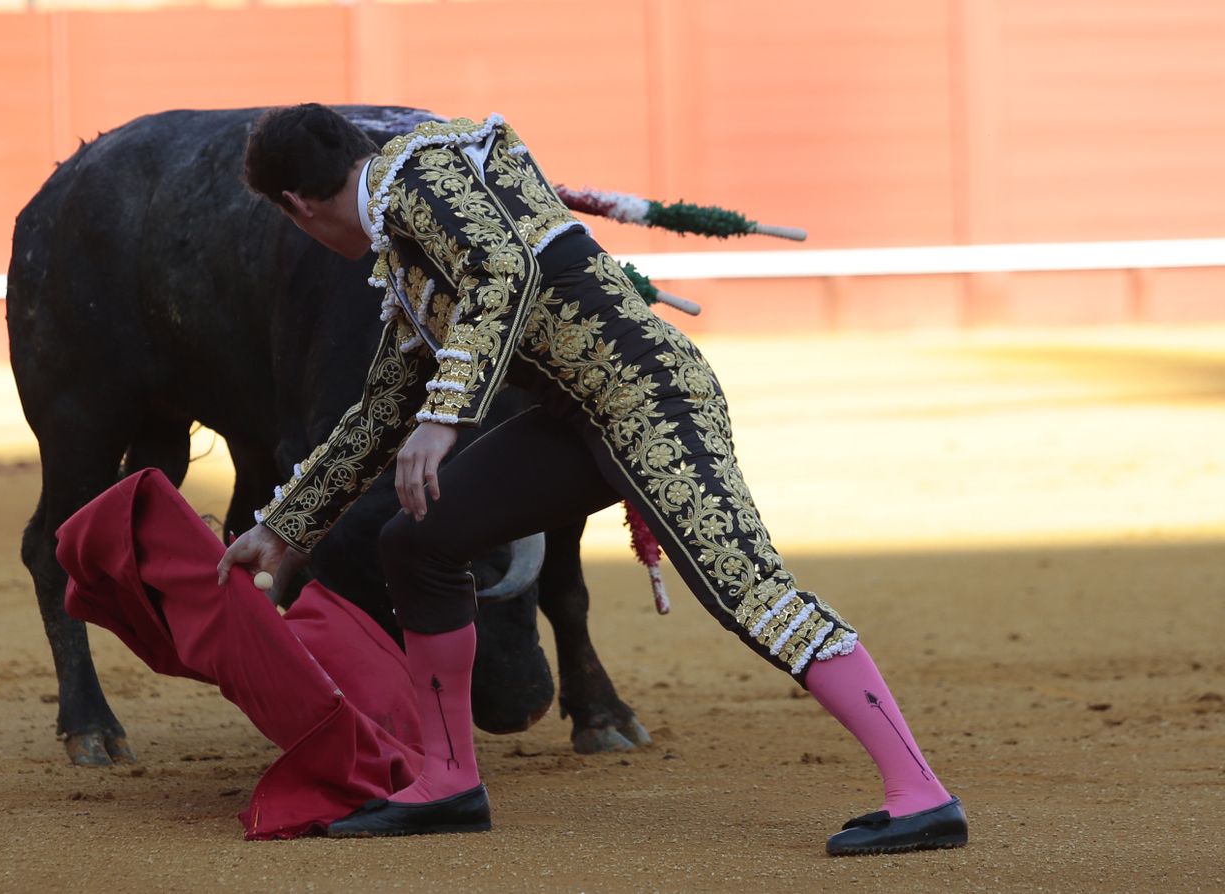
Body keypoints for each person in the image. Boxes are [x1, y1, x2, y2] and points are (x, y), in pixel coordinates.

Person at [218, 103, 967, 855]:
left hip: (649, 399)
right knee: (420, 543)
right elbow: (383, 407)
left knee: (748, 589)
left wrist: (445, 415)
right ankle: (447, 783)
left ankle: (922, 796)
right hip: (577, 417)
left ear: (298, 206)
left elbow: (503, 268)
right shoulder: (412, 247)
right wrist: (282, 530)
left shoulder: (418, 176)